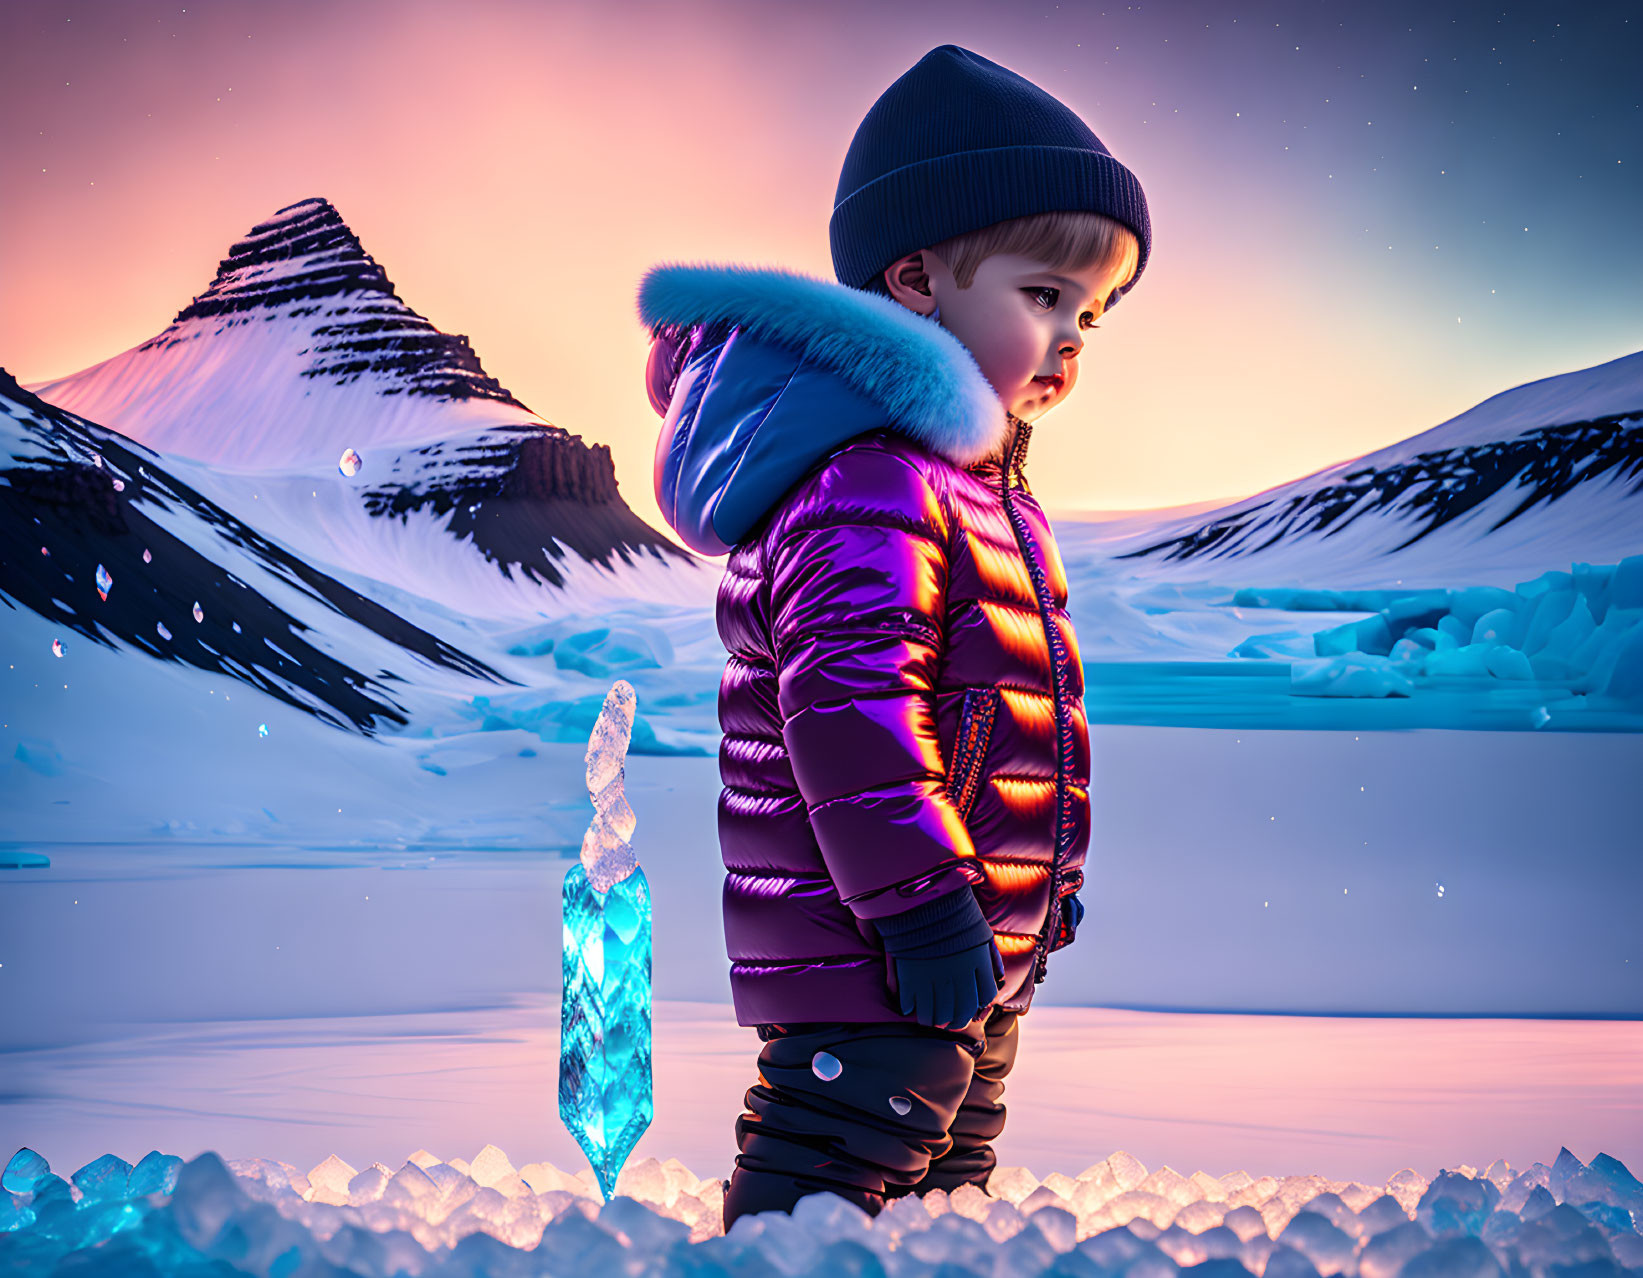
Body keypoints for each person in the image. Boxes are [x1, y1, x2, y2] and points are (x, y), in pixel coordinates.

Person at [636, 43, 1151, 1230]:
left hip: (968, 939)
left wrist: (1037, 889)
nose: (1070, 339)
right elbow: (847, 714)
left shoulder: (979, 490)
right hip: (870, 945)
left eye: (1090, 313)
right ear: (915, 279)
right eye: (1042, 296)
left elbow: (1005, 720)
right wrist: (920, 902)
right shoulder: (866, 483)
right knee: (835, 1171)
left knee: (940, 1196)